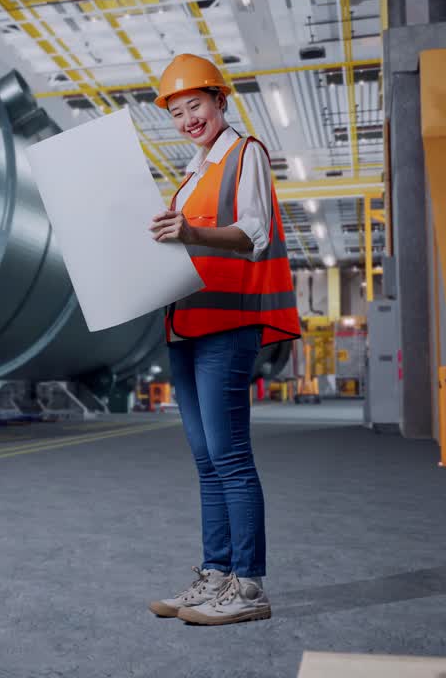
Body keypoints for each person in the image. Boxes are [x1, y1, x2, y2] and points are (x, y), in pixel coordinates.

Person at [145, 54, 301, 626]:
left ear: (220, 101)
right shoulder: (191, 174)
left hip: (227, 326)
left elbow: (253, 235)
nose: (188, 118)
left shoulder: (244, 153)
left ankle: (249, 586)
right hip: (185, 325)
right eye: (178, 111)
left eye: (196, 106)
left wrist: (189, 231)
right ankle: (216, 575)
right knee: (206, 460)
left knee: (231, 457)